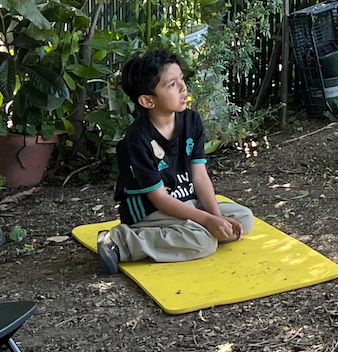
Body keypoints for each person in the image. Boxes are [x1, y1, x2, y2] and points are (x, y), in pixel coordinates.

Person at [96, 49, 254, 271]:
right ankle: (121, 241)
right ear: (147, 101)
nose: (182, 88)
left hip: (186, 201)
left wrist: (217, 218)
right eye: (171, 84)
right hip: (150, 211)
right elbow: (159, 198)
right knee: (203, 241)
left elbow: (199, 176)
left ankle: (191, 230)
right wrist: (208, 222)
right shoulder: (137, 139)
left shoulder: (191, 121)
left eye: (181, 79)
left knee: (244, 218)